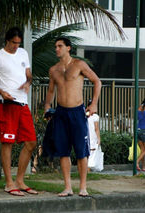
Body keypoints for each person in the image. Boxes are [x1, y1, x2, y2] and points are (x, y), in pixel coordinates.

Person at [0, 27, 37, 196]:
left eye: (18, 43)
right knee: (8, 143)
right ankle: (8, 183)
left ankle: (20, 181)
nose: (16, 46)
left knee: (31, 141)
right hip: (7, 105)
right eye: (14, 43)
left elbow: (29, 75)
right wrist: (1, 92)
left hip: (22, 103)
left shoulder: (23, 54)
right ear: (7, 40)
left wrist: (28, 83)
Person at [44, 37, 101, 197]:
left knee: (82, 151)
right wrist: (47, 106)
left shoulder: (79, 65)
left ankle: (83, 187)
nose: (57, 49)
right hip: (61, 113)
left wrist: (94, 104)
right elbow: (50, 91)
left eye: (60, 46)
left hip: (77, 112)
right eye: (55, 46)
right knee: (63, 151)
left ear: (68, 48)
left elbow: (97, 81)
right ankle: (68, 187)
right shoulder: (53, 70)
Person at [87, 100, 101, 172]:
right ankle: (87, 169)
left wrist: (98, 139)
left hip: (89, 135)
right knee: (90, 151)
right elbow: (96, 129)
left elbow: (96, 129)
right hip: (90, 136)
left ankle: (88, 169)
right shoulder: (93, 116)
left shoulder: (92, 116)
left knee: (89, 152)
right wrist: (98, 138)